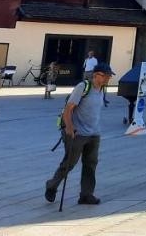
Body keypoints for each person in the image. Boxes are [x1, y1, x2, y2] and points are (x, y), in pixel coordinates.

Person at [44, 63, 114, 205]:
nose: (108, 78)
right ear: (96, 75)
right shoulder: (83, 87)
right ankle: (51, 185)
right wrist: (70, 129)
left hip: (94, 133)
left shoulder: (101, 89)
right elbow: (68, 109)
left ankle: (86, 195)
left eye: (109, 76)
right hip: (77, 133)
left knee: (90, 164)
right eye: (105, 75)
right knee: (69, 163)